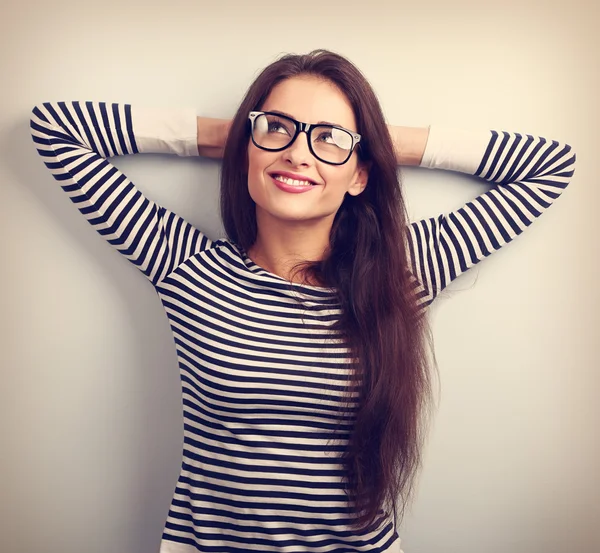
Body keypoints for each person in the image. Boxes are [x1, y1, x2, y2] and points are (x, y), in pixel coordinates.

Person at [29, 49, 575, 553]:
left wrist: (375, 141)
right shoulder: (185, 265)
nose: (297, 153)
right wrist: (240, 138)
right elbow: (57, 128)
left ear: (360, 174)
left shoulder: (399, 270)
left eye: (329, 139)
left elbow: (550, 165)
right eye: (277, 128)